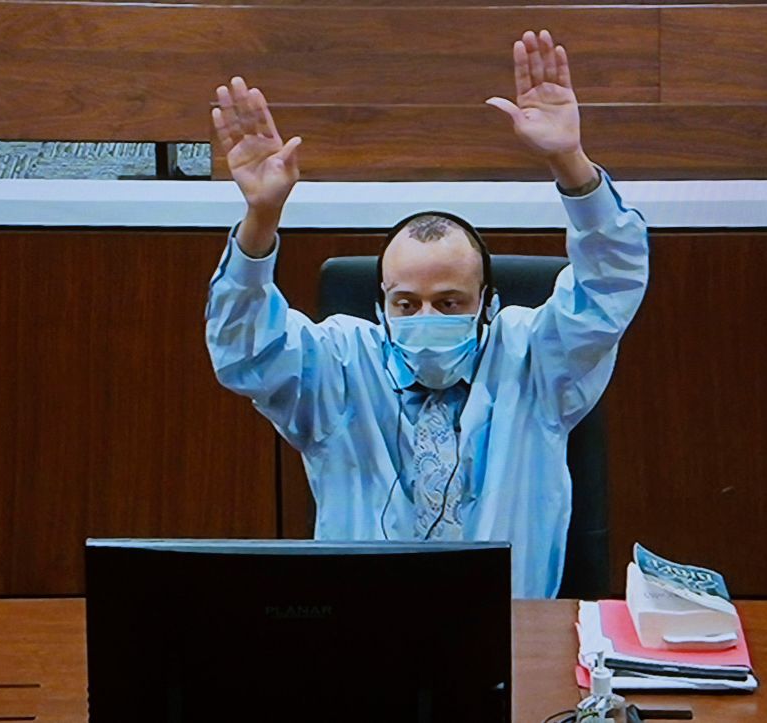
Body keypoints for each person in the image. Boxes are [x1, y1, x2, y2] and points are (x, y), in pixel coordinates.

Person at [206, 30, 649, 598]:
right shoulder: (340, 365)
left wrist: (569, 161)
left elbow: (610, 283)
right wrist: (261, 216)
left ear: (487, 306)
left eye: (449, 303)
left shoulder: (534, 358)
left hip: (510, 633)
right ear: (381, 308)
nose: (425, 317)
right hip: (362, 634)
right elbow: (244, 353)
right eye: (406, 304)